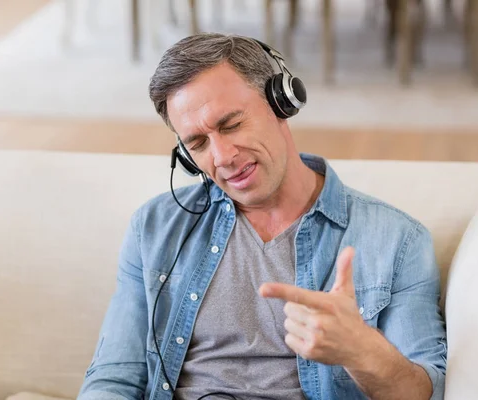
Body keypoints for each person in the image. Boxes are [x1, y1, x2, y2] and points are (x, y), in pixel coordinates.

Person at [78, 33, 447, 400]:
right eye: (198, 143)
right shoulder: (154, 228)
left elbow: (425, 393)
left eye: (231, 124)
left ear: (280, 103)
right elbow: (113, 380)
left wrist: (363, 350)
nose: (222, 156)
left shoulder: (398, 240)